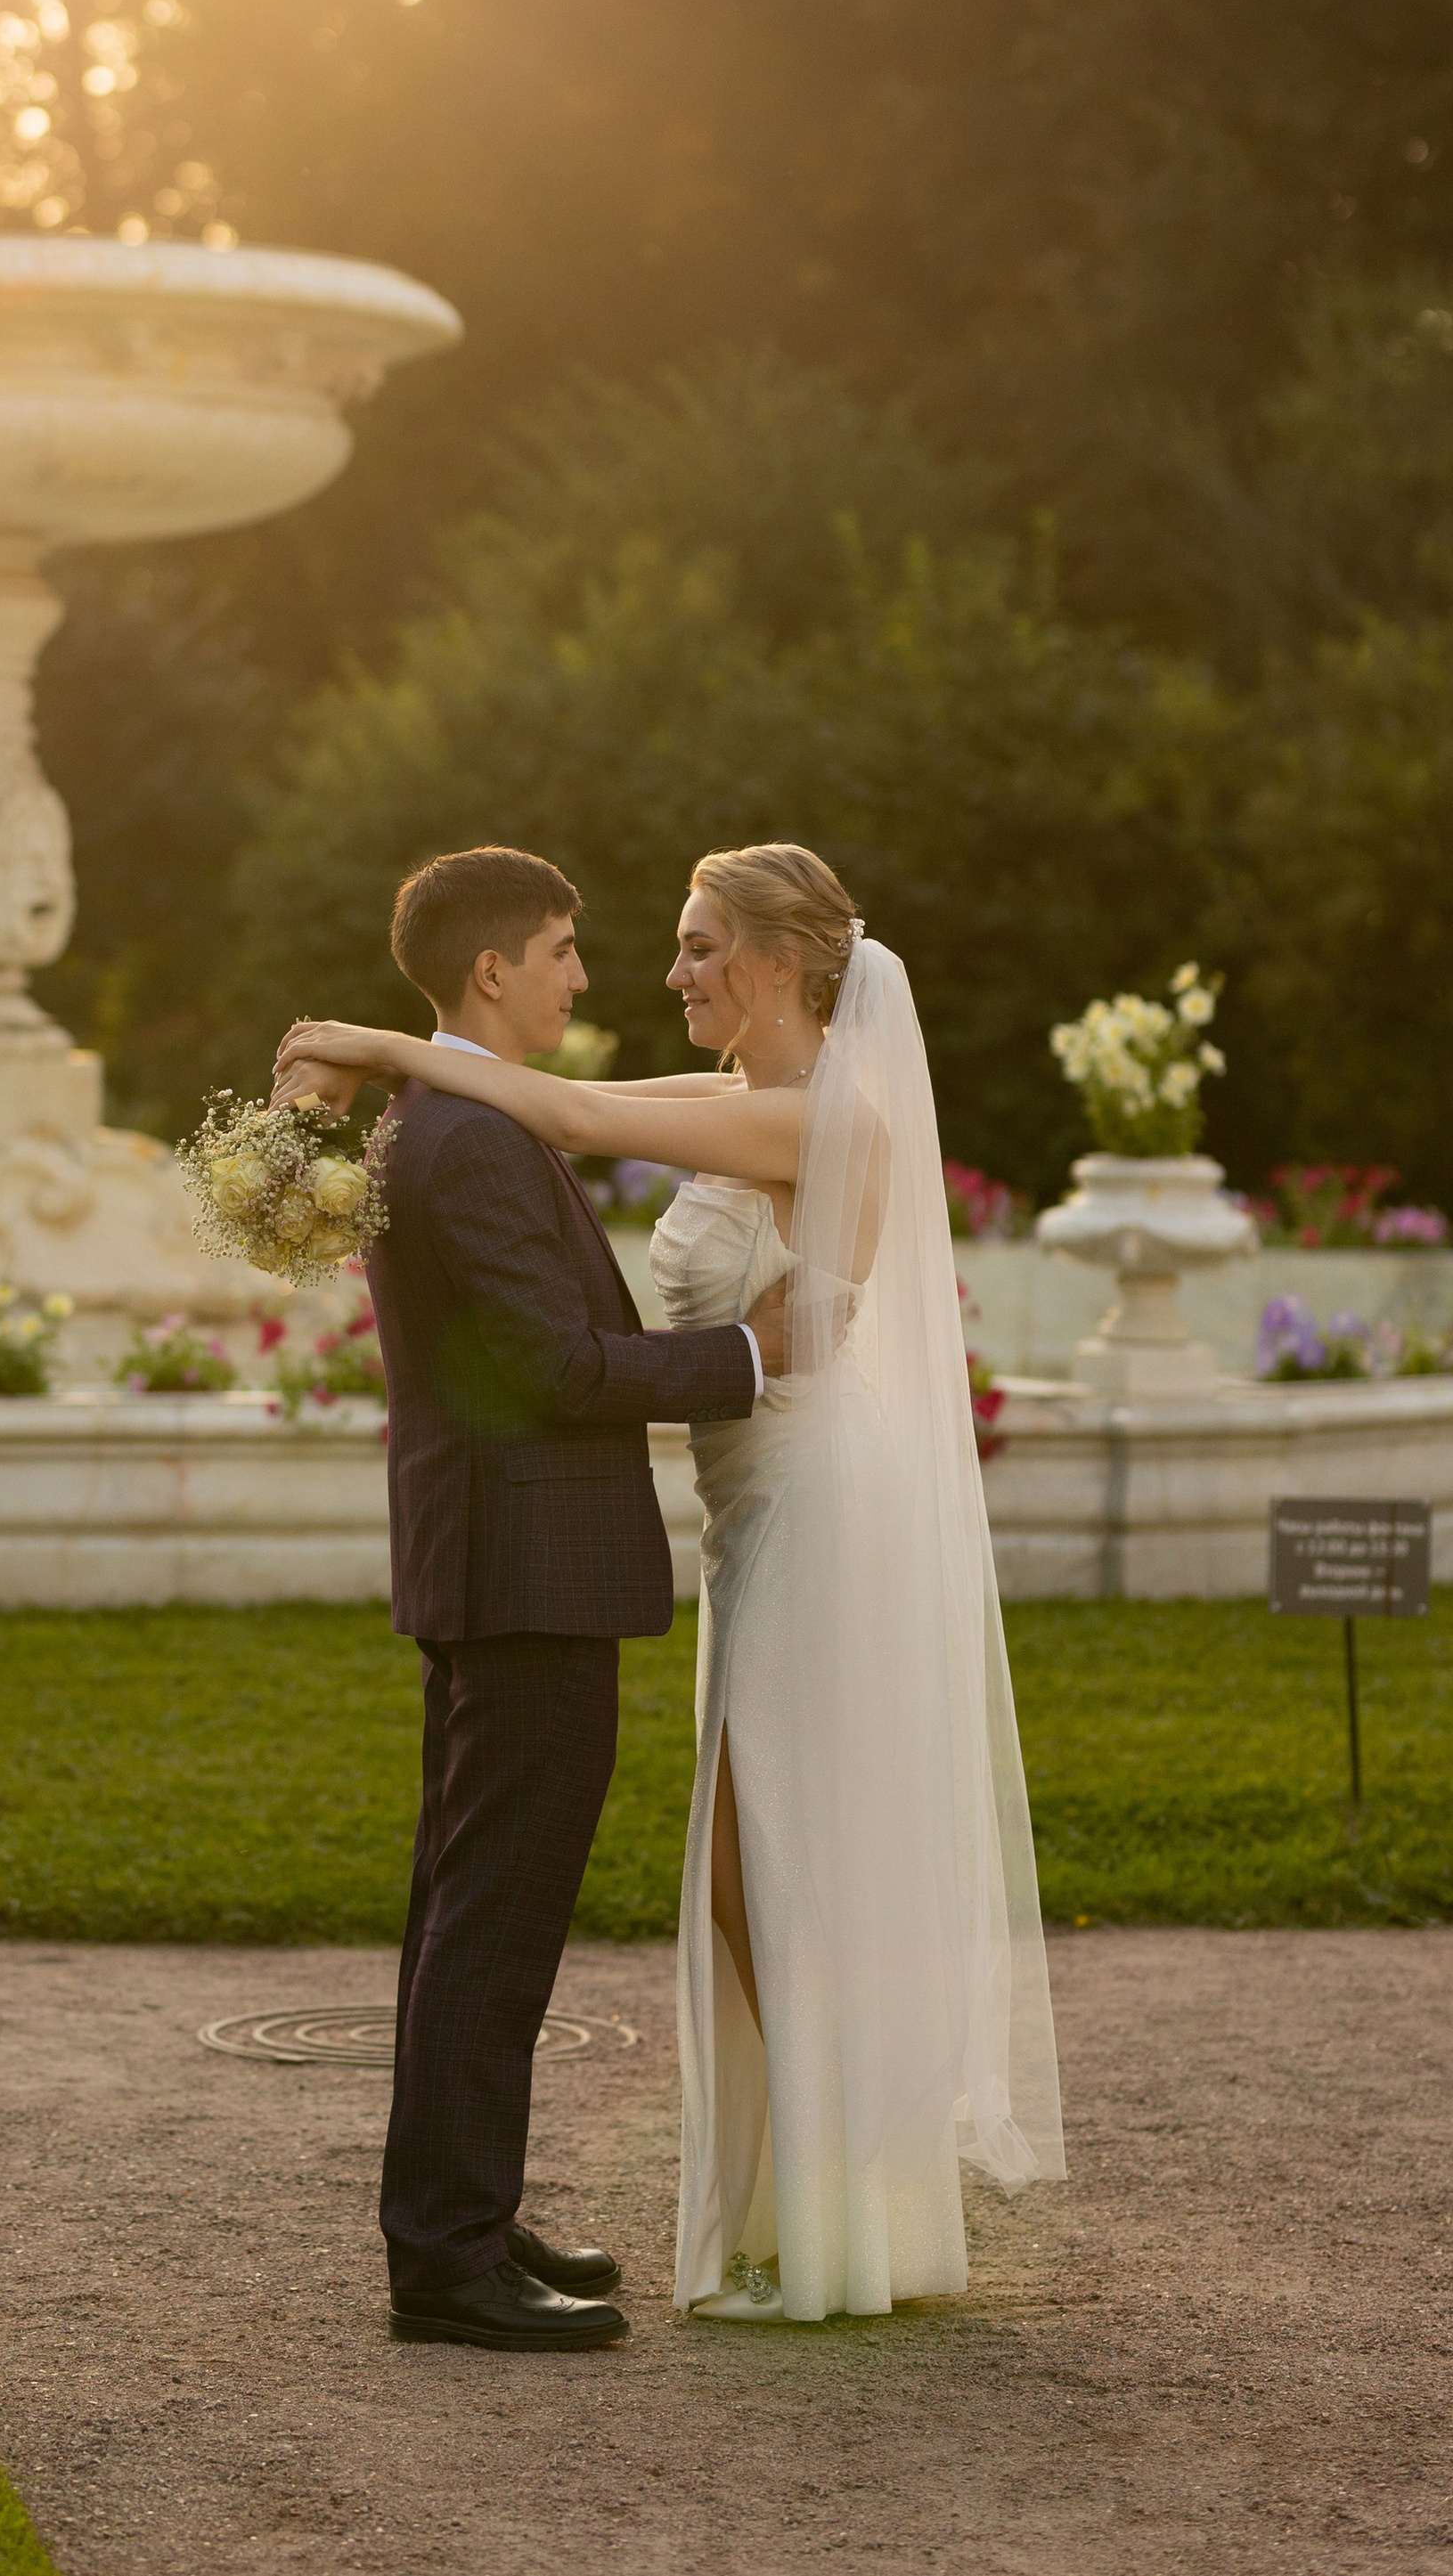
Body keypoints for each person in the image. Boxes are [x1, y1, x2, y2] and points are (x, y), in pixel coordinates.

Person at [276, 839, 1064, 2327]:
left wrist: (387, 1046)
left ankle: (819, 2206)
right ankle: (484, 2233)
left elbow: (560, 1105)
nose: (657, 970)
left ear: (780, 961)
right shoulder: (714, 1102)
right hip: (704, 1525)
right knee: (641, 1891)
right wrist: (416, 1061)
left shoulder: (824, 1116)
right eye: (608, 945)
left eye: (700, 948)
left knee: (763, 1878)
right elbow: (557, 1111)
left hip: (804, 1507)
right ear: (499, 969)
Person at [276, 844, 788, 2353]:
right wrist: (759, 1359)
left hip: (501, 1562)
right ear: (491, 969)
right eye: (562, 948)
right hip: (524, 1573)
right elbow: (561, 1370)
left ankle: (466, 2215)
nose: (583, 973)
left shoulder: (451, 1115)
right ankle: (443, 2257)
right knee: (494, 1920)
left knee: (471, 1910)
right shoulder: (468, 1136)